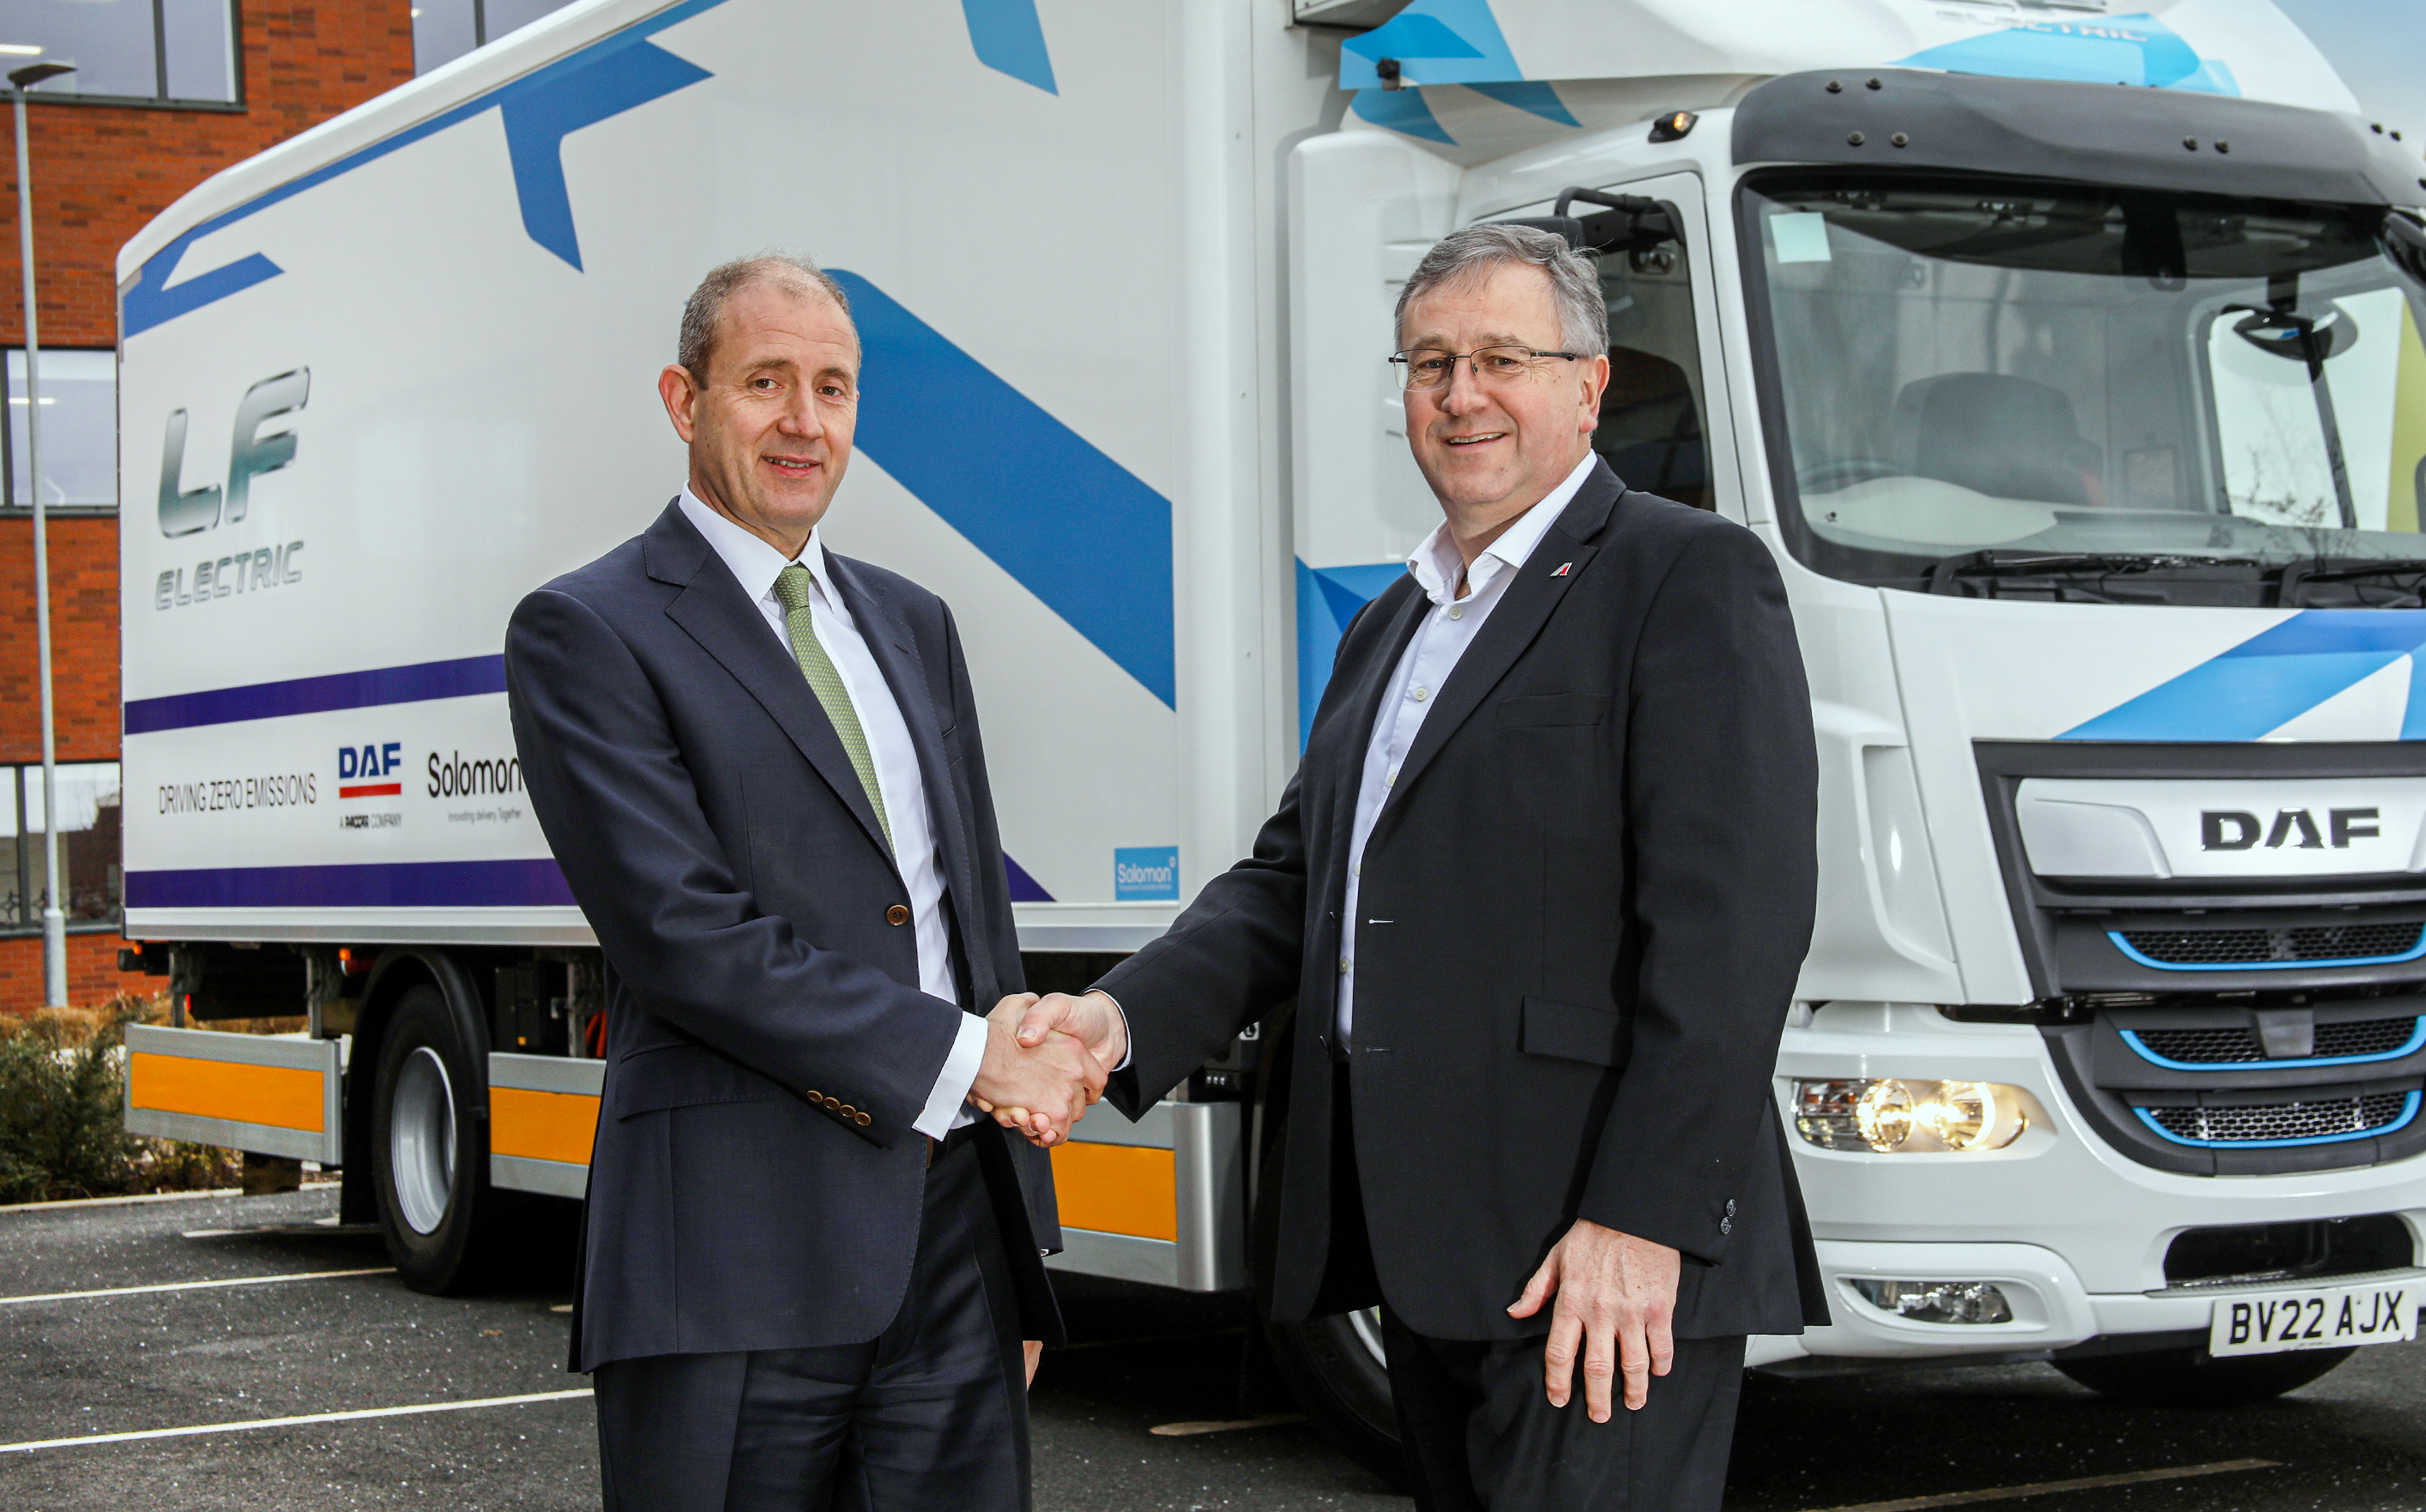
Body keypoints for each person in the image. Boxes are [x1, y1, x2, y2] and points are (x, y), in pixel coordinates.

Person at [1008, 222, 1826, 1511]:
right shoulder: (1393, 623)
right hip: (1422, 1248)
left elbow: (1732, 934)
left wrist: (1646, 1219)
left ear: (1588, 386)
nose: (1460, 394)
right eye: (1430, 362)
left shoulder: (1684, 574)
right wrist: (1115, 1019)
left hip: (1593, 1249)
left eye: (1502, 358)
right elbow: (1295, 885)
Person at [505, 252, 1108, 1512]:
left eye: (831, 388)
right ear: (684, 401)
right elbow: (683, 936)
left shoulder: (913, 621)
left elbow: (970, 928)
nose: (803, 421)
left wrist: (1019, 1249)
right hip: (733, 1258)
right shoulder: (588, 628)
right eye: (764, 382)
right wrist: (970, 1062)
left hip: (953, 1247)